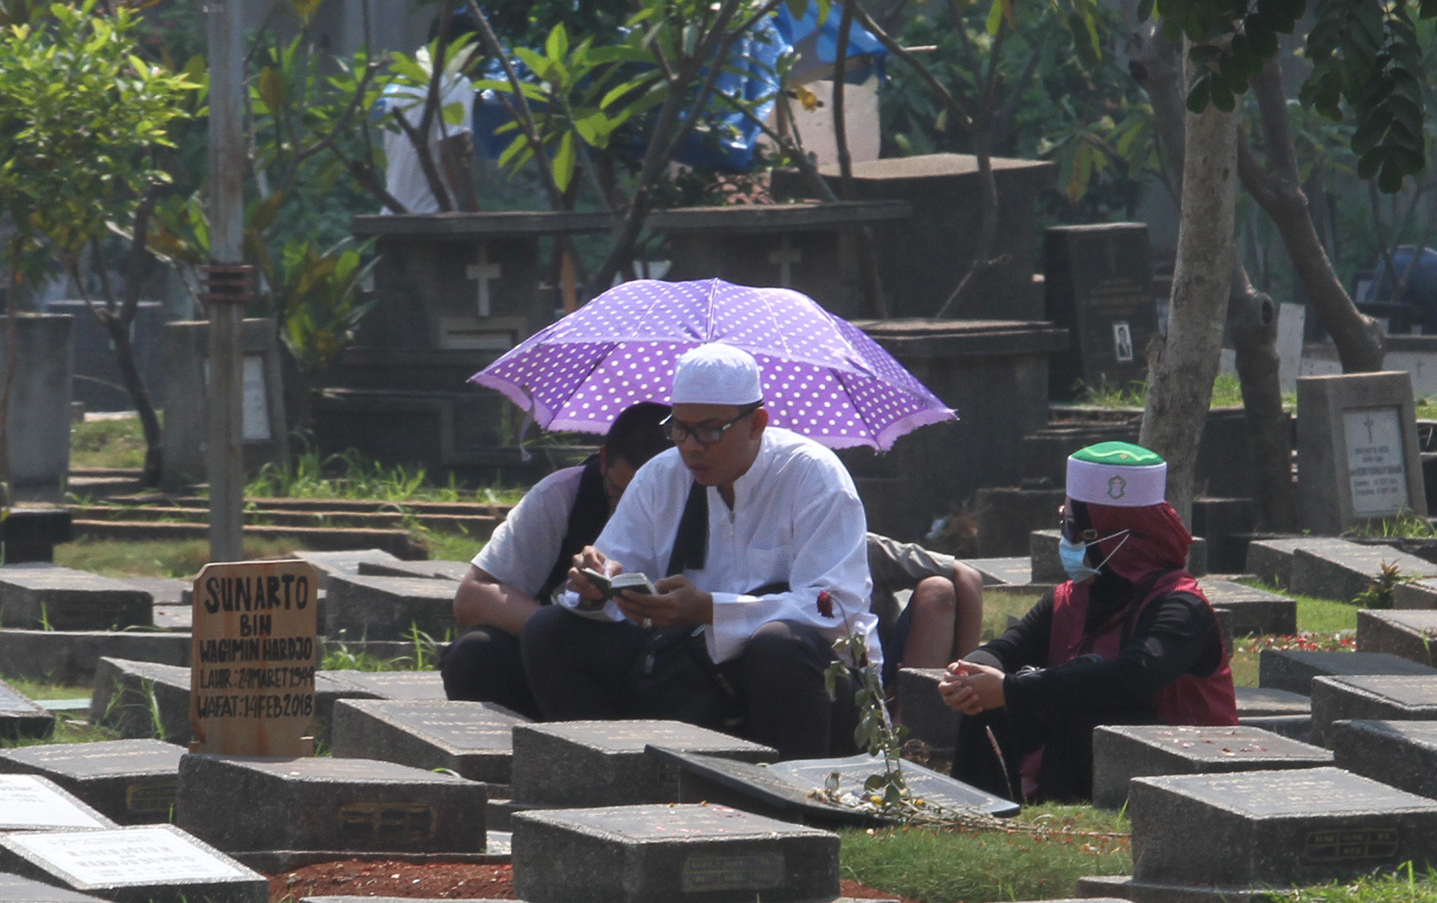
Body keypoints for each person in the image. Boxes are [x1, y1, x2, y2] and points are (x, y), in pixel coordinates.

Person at [520, 343, 879, 760]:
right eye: (679, 428)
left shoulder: (812, 474)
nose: (691, 446)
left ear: (757, 423)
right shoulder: (661, 474)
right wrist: (597, 584)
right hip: (687, 671)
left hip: (815, 690)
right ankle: (610, 780)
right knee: (550, 630)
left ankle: (797, 806)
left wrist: (712, 610)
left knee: (780, 646)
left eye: (710, 430)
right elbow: (615, 567)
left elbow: (838, 611)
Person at [938, 441, 1236, 803]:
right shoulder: (1068, 598)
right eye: (1064, 524)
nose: (1066, 541)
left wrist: (1013, 690)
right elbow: (1008, 648)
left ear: (1120, 538)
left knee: (1084, 720)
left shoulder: (1180, 605)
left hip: (1188, 760)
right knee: (988, 709)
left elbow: (1132, 677)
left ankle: (1058, 818)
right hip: (1095, 745)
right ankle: (975, 813)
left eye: (1075, 529)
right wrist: (969, 675)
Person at [440, 402, 672, 717]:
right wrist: (558, 634)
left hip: (654, 663)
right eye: (619, 493)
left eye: (647, 499)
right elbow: (473, 595)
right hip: (554, 666)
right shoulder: (562, 496)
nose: (629, 509)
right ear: (603, 460)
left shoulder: (704, 502)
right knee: (476, 653)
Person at [377, 16, 482, 214]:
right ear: (466, 50)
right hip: (433, 216)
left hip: (393, 214)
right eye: (476, 55)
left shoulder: (401, 85)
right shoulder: (457, 83)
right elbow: (452, 154)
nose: (476, 65)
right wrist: (473, 213)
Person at [867, 532, 984, 674]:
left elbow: (967, 576)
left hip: (881, 669)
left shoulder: (866, 548)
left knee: (938, 588)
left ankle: (920, 689)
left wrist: (965, 673)